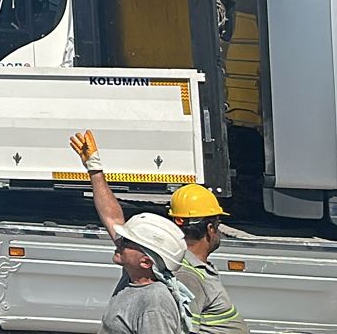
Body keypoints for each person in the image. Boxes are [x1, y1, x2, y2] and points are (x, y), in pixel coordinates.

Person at [71, 130, 248, 334]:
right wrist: (94, 167)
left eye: (126, 241)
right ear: (210, 229)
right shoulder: (177, 272)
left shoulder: (161, 266)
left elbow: (114, 219)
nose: (119, 242)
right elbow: (114, 220)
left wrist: (95, 168)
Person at [104, 213, 196, 334]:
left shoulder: (155, 305)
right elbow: (112, 217)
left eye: (126, 242)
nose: (118, 243)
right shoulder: (131, 278)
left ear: (146, 262)